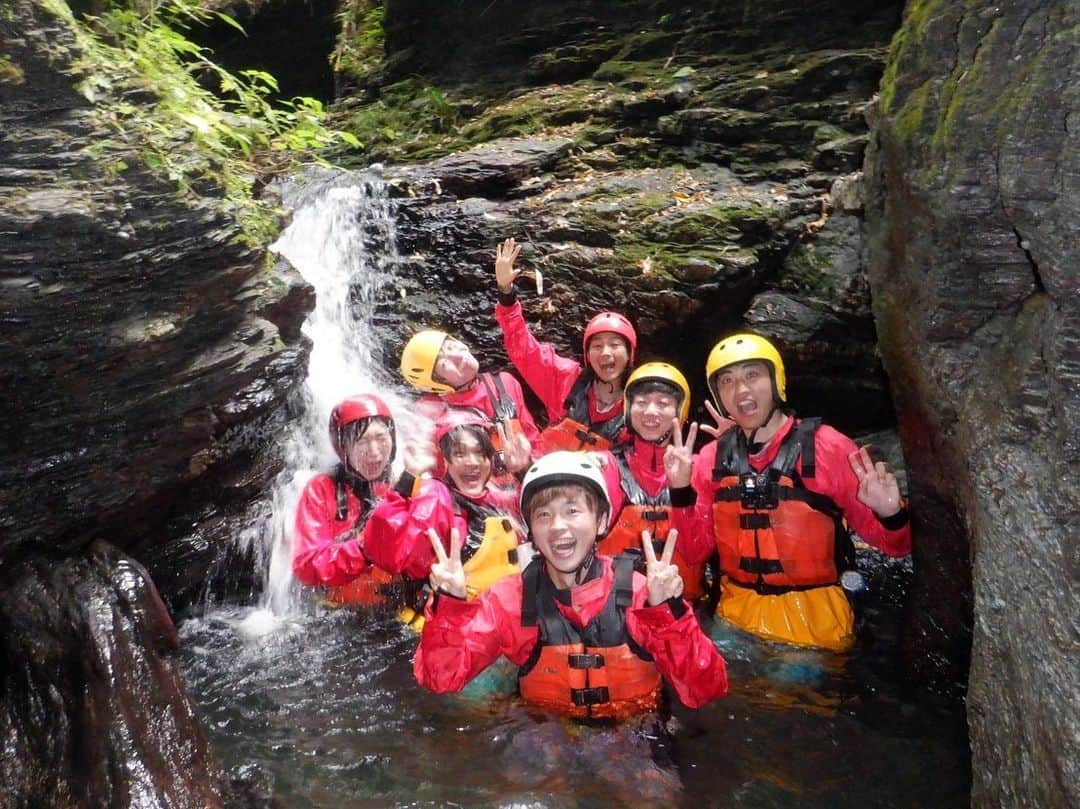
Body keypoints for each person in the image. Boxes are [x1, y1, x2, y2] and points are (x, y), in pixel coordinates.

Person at [414, 451, 728, 720]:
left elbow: (705, 688)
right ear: (531, 531)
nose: (557, 526)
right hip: (546, 738)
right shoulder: (508, 600)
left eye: (572, 511)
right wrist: (449, 606)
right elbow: (442, 679)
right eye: (543, 515)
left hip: (635, 737)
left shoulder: (643, 595)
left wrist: (668, 613)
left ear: (601, 521)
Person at [665, 333, 912, 652]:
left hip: (815, 628)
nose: (740, 389)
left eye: (752, 375)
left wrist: (891, 514)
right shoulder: (711, 459)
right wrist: (681, 491)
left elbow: (897, 548)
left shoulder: (828, 448)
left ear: (776, 380)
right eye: (727, 381)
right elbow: (694, 551)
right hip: (734, 619)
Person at [364, 411, 527, 610]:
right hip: (451, 625)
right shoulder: (435, 499)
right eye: (459, 454)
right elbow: (391, 554)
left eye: (480, 453)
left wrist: (523, 470)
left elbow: (533, 512)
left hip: (497, 619)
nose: (472, 462)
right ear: (444, 462)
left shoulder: (490, 497)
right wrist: (406, 483)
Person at [493, 237, 637, 453]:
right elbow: (522, 349)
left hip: (598, 483)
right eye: (597, 346)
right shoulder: (564, 377)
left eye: (615, 345)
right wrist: (506, 294)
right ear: (587, 355)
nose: (605, 352)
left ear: (629, 354)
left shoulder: (641, 404)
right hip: (547, 477)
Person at [292, 394, 428, 606]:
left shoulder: (405, 484)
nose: (374, 452)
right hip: (340, 612)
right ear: (342, 447)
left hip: (398, 605)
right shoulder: (321, 490)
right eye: (361, 440)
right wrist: (366, 548)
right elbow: (307, 566)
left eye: (381, 438)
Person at [593, 362, 708, 602]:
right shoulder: (604, 466)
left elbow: (696, 552)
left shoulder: (700, 468)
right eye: (641, 403)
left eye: (663, 404)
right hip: (617, 610)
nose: (650, 412)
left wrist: (682, 489)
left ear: (680, 412)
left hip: (681, 609)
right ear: (628, 409)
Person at [399, 328, 539, 477]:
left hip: (526, 480)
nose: (458, 356)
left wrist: (527, 465)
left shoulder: (504, 383)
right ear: (437, 383)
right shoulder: (429, 413)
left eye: (451, 346)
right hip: (475, 493)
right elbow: (428, 474)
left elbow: (534, 441)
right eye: (444, 364)